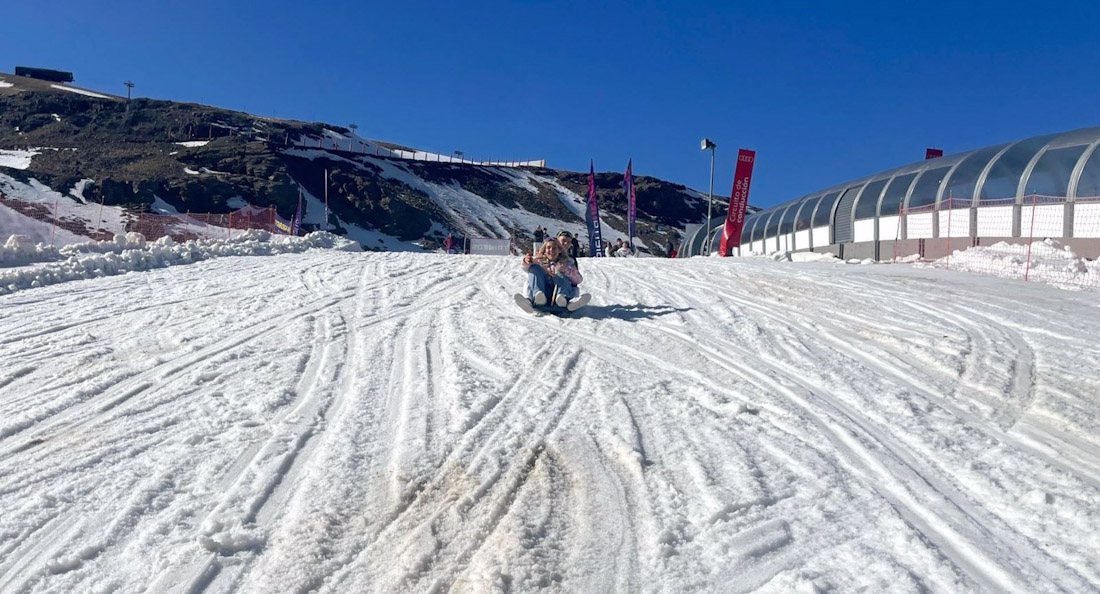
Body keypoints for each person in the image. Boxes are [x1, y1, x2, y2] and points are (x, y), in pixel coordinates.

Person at [522, 239, 582, 307]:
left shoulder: (567, 262)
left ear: (559, 250)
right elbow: (526, 268)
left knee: (561, 272)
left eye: (554, 248)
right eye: (548, 248)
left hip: (562, 293)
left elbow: (578, 280)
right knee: (533, 269)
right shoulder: (538, 261)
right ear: (544, 250)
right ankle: (536, 296)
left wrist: (566, 270)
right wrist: (527, 261)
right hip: (544, 292)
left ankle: (566, 300)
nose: (551, 250)